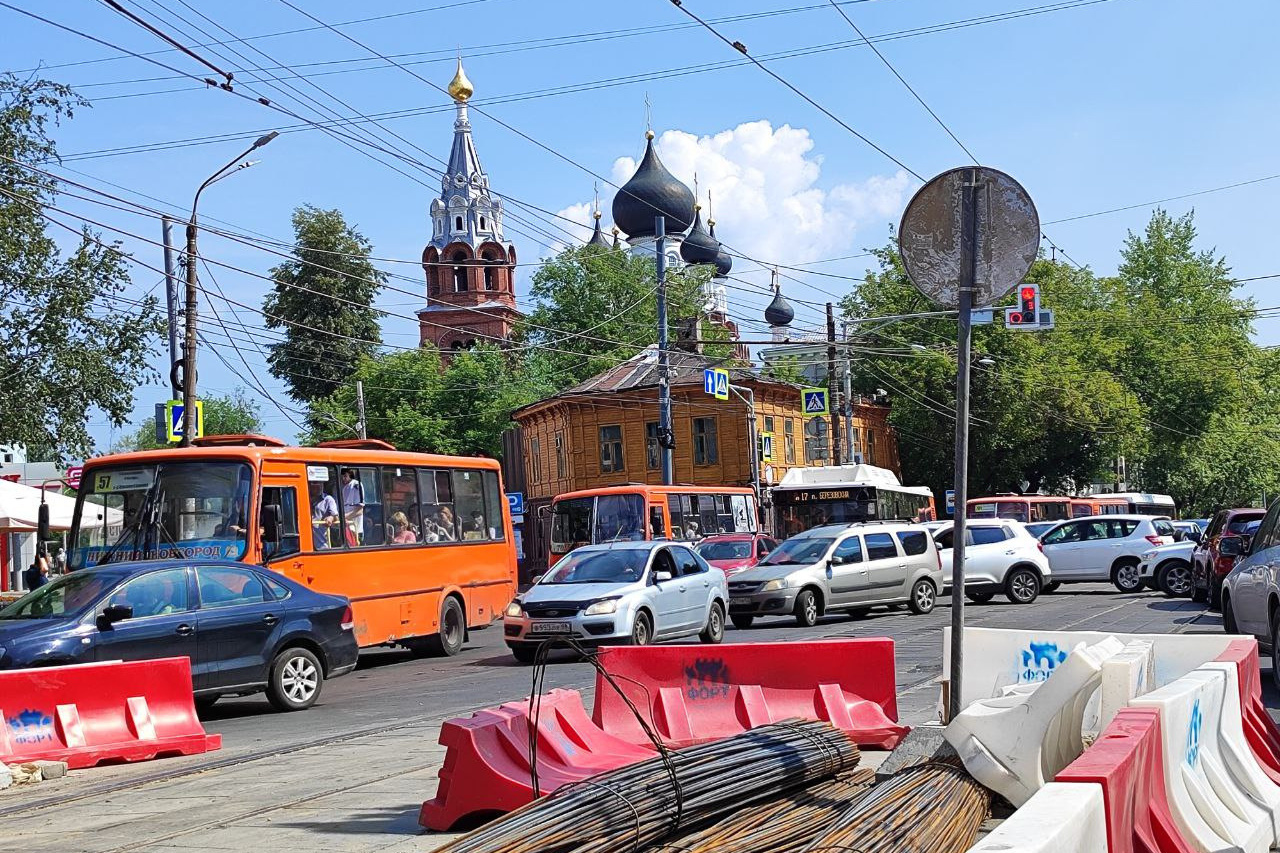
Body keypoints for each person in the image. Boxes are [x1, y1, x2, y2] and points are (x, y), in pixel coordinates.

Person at [311, 483, 340, 549]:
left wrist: (331, 517)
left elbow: (335, 516)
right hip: (304, 543)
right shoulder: (302, 498)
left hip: (321, 543)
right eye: (315, 483)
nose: (319, 485)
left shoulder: (328, 499)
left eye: (321, 483)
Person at [341, 469, 365, 543]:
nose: (343, 478)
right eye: (341, 476)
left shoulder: (356, 485)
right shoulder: (339, 487)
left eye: (345, 476)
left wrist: (342, 518)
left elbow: (359, 511)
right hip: (342, 528)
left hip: (354, 530)